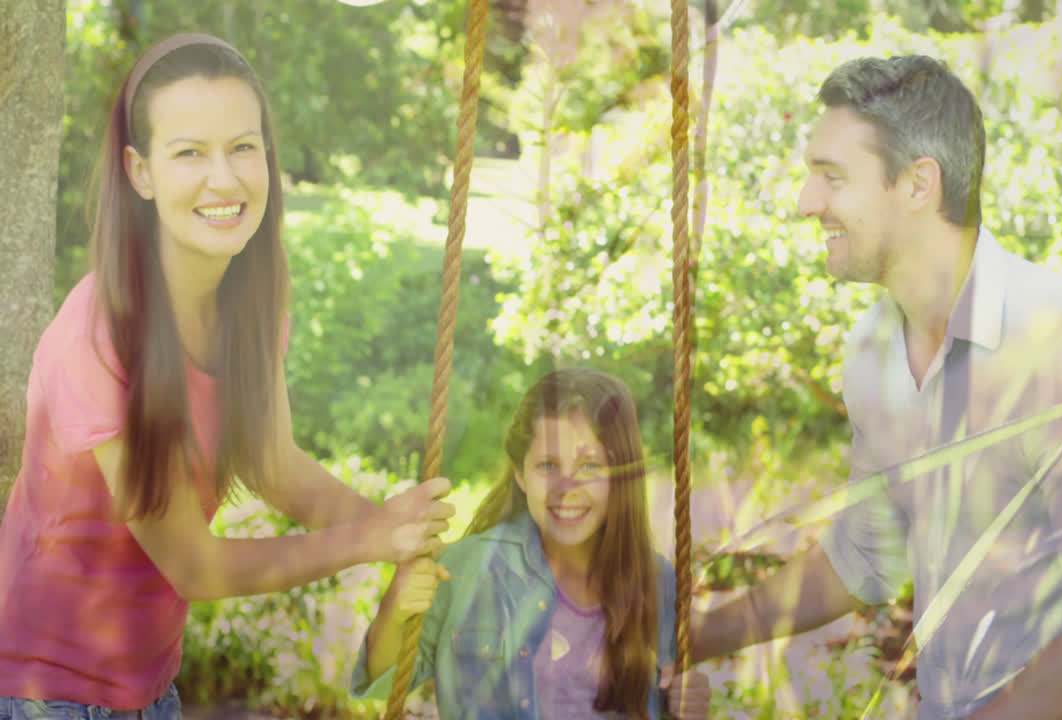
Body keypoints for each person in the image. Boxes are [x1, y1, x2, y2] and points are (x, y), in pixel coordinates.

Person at [688, 55, 1062, 719]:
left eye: (831, 177)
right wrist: (692, 636)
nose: (806, 204)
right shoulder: (872, 348)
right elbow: (867, 551)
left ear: (918, 184)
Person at [0, 33, 454, 719]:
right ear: (140, 171)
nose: (225, 178)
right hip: (45, 696)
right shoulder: (98, 334)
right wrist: (369, 539)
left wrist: (397, 534)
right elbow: (194, 566)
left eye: (243, 146)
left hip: (151, 689)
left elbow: (272, 462)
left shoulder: (249, 301)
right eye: (189, 153)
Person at [352, 368, 711, 719]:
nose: (566, 489)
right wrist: (394, 611)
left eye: (589, 466)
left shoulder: (655, 581)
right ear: (521, 473)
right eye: (548, 465)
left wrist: (686, 702)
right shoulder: (467, 568)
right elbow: (385, 679)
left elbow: (665, 693)